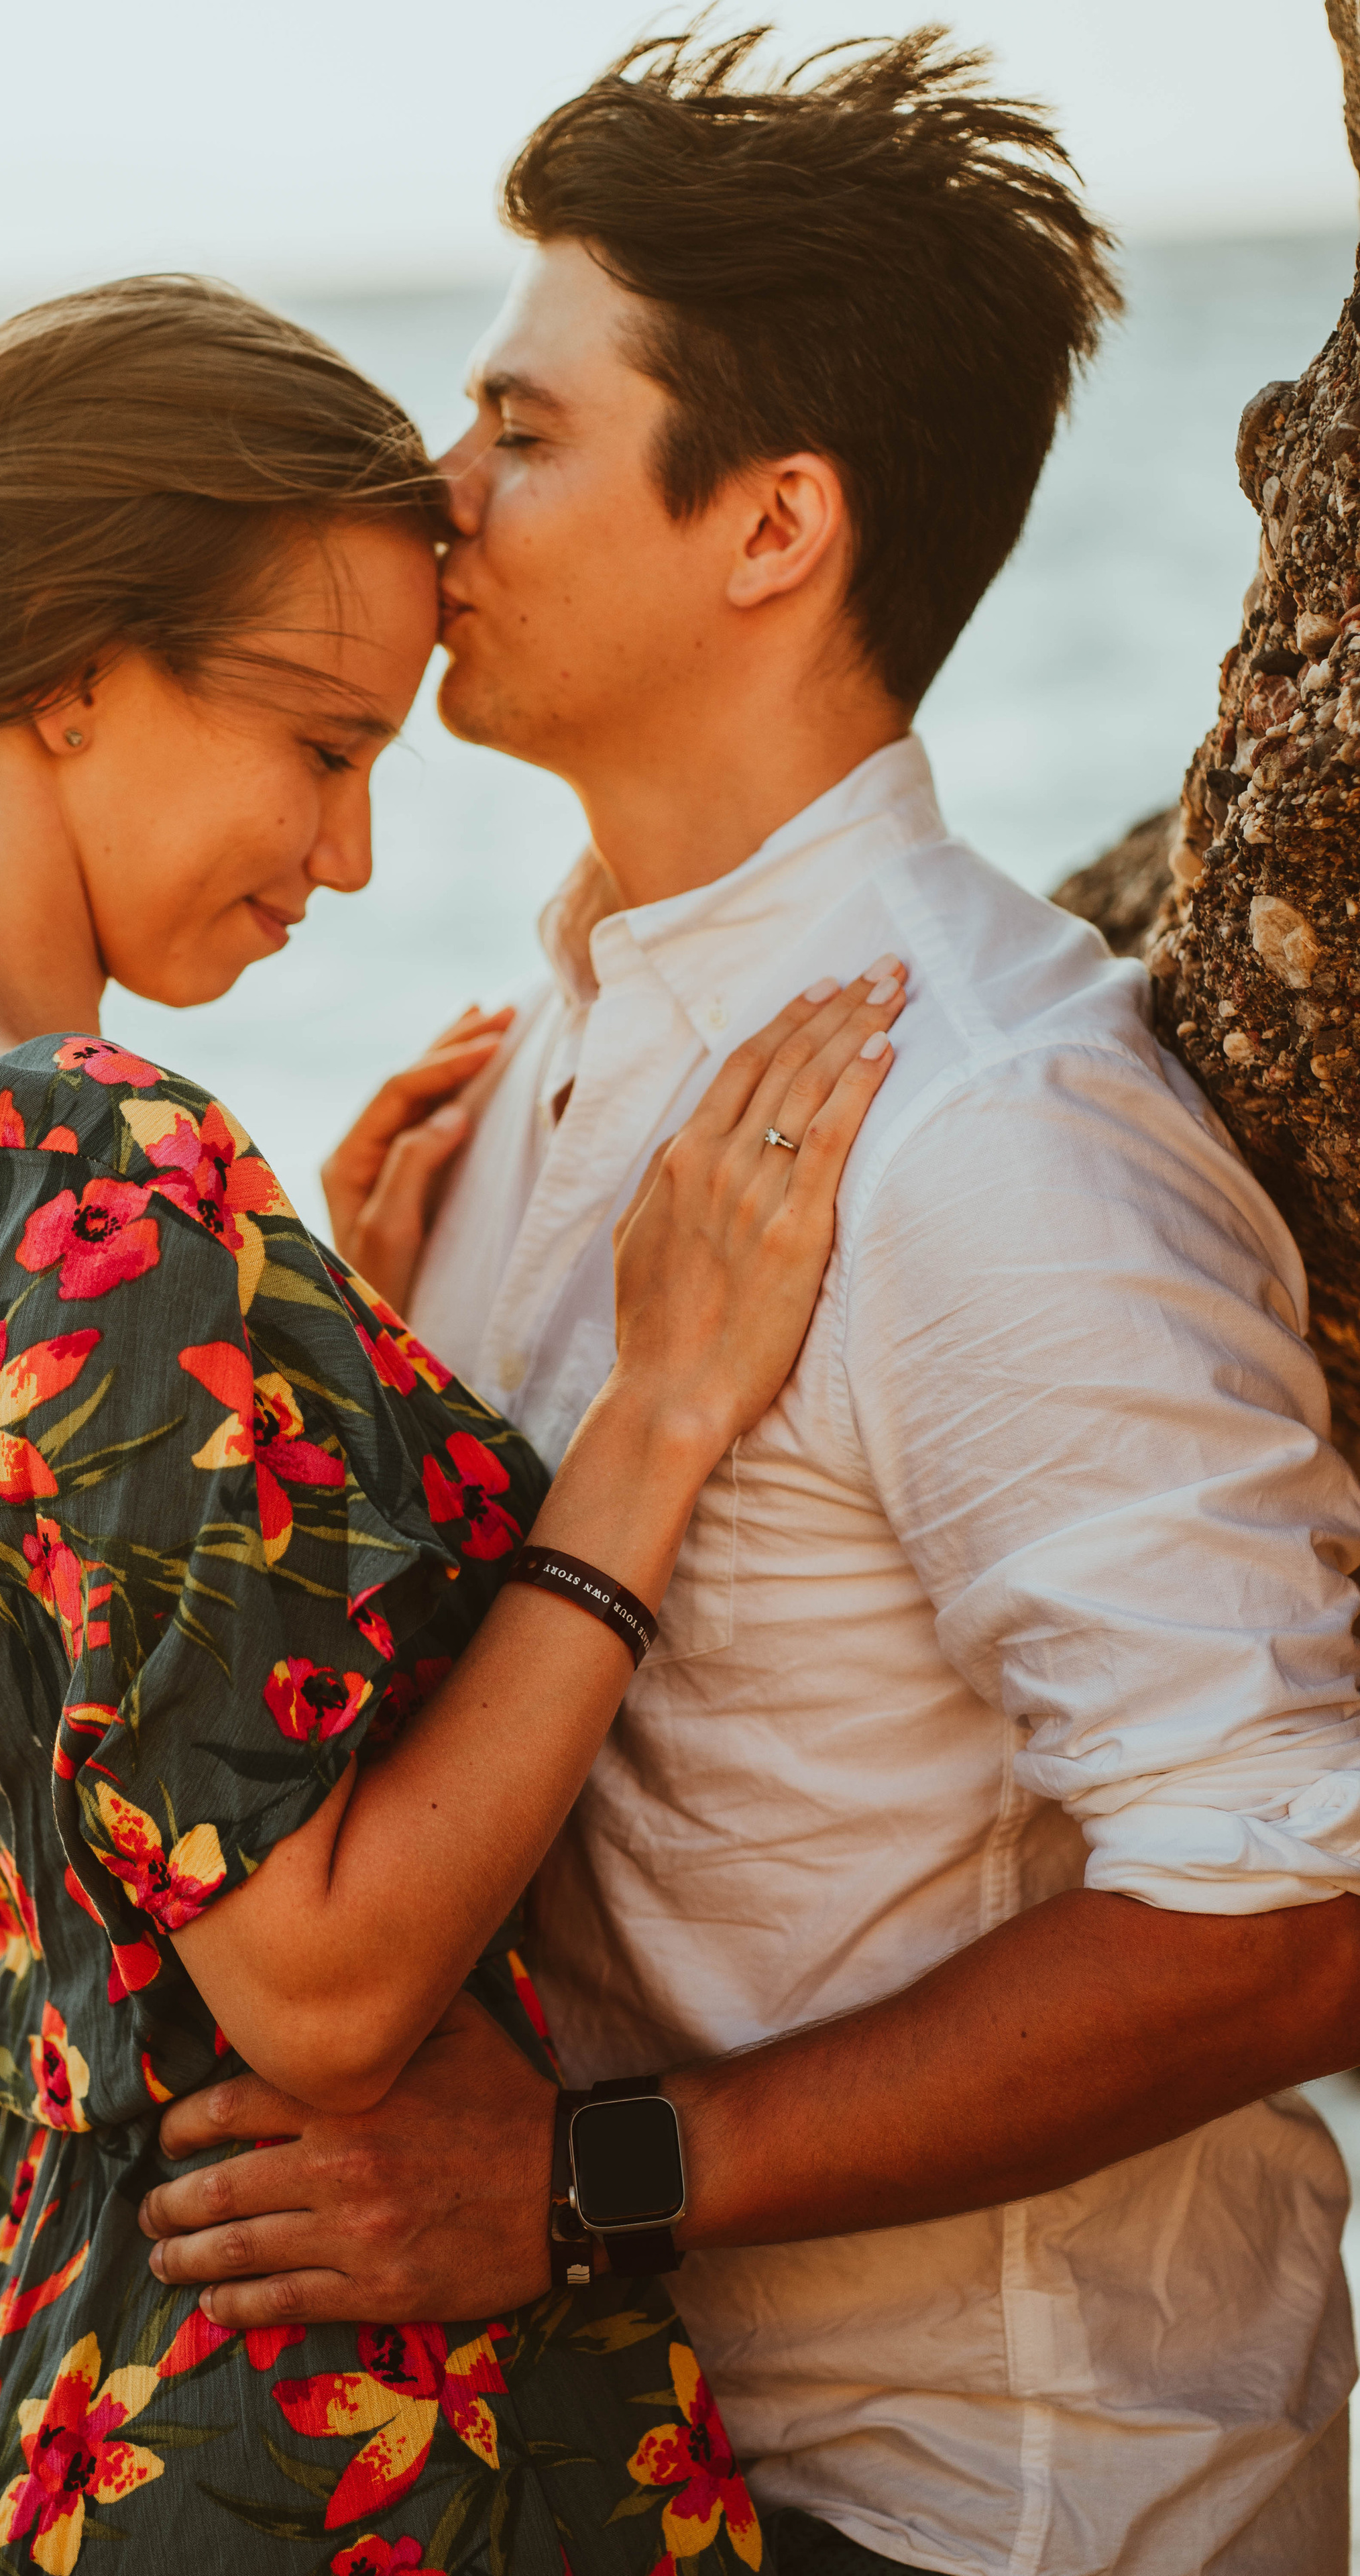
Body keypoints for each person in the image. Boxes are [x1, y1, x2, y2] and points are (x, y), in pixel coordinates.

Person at [136, 32, 1360, 2576]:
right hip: (633, 2460)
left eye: (523, 428)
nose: (432, 497)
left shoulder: (987, 1135)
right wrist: (362, 1371)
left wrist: (586, 2183)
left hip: (980, 2506)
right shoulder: (565, 1034)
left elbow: (1287, 1917)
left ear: (773, 524)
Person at [0, 274, 904, 2573]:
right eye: (322, 744)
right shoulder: (106, 1177)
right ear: (66, 669)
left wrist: (324, 1347)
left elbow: (53, 1709)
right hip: (307, 2416)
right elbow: (317, 1990)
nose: (343, 858)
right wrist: (663, 1410)